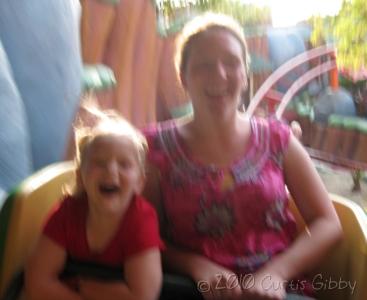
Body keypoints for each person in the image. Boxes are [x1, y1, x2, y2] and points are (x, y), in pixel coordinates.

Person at [143, 13, 342, 300]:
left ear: (245, 73)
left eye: (231, 63)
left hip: (279, 292)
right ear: (183, 77)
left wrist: (278, 273)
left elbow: (328, 223)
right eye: (204, 65)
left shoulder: (279, 139)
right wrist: (195, 266)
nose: (220, 74)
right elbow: (144, 235)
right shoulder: (154, 148)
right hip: (187, 289)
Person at [25, 108, 164, 300]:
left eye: (124, 164)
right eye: (99, 163)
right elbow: (37, 283)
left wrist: (80, 286)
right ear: (80, 177)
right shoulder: (67, 212)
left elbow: (142, 296)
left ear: (140, 182)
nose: (111, 171)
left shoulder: (141, 219)